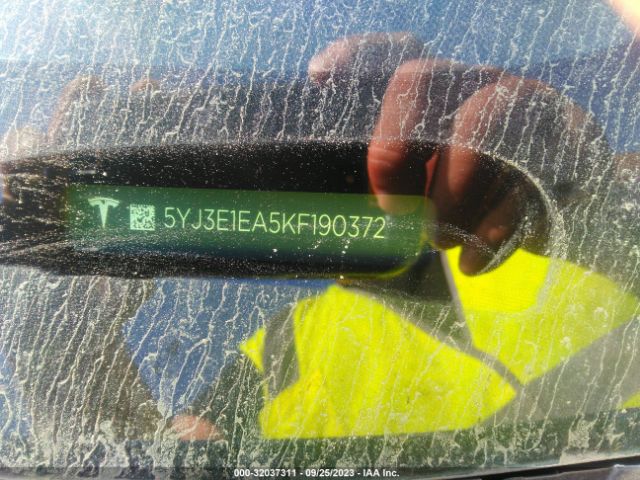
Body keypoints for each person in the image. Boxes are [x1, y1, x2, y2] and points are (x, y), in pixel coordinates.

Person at [170, 23, 640, 459]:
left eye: (366, 116)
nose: (327, 154)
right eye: (279, 150)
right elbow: (172, 454)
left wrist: (582, 184)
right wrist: (128, 268)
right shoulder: (283, 341)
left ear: (431, 122)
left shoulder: (533, 216)